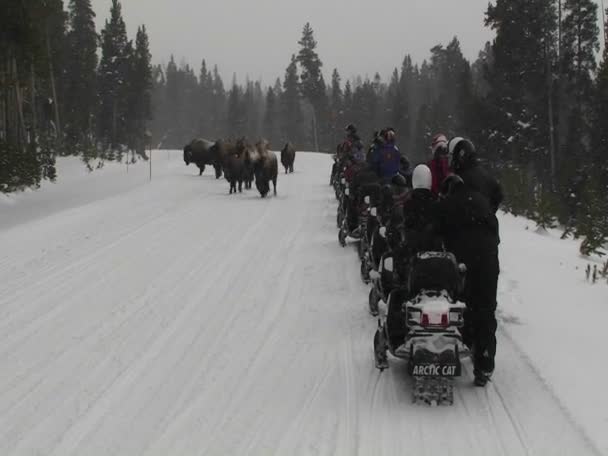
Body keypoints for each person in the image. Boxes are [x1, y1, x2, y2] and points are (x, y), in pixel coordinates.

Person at [438, 174, 500, 386]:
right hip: (489, 259)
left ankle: (464, 342)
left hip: (466, 260)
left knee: (465, 303)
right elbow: (494, 229)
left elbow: (439, 236)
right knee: (486, 308)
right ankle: (484, 363)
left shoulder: (447, 205)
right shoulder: (481, 199)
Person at [447, 137, 503, 213]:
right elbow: (498, 195)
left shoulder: (460, 179)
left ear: (459, 156)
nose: (448, 161)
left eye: (450, 156)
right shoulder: (483, 174)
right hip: (486, 222)